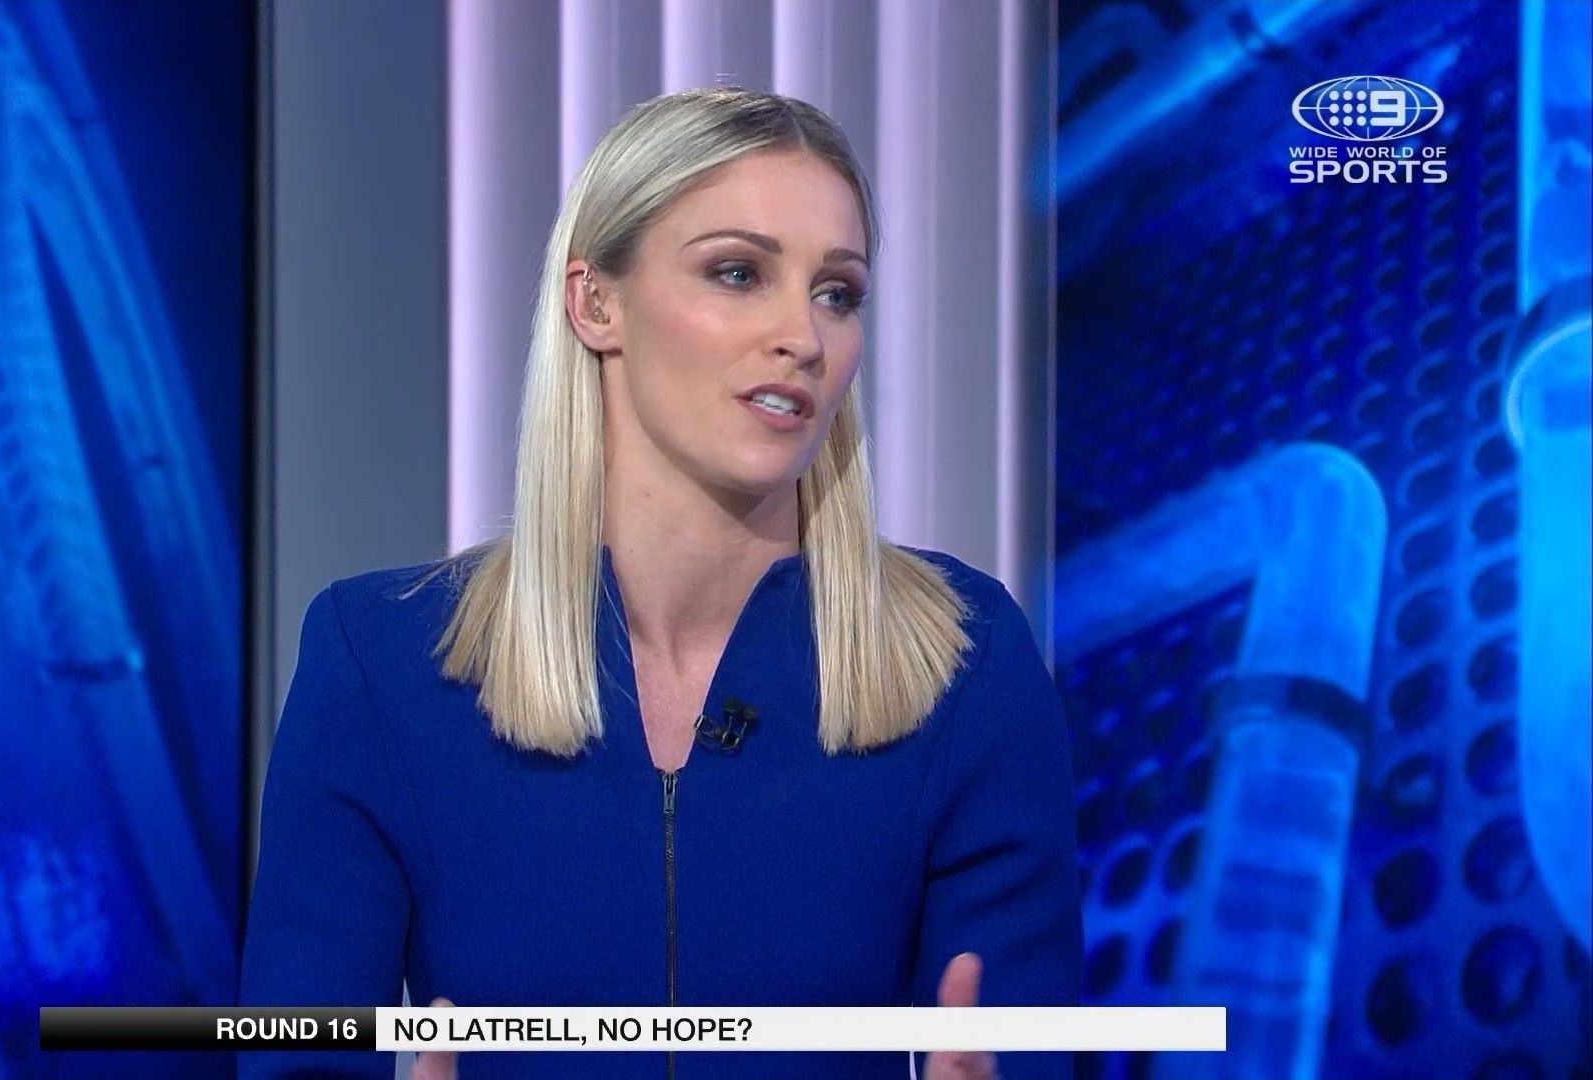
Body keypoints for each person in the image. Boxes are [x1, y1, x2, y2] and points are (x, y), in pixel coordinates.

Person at [239, 87, 1083, 1080]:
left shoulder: (966, 664)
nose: (804, 336)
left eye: (837, 292)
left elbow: (1021, 1052)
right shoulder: (380, 663)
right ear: (596, 303)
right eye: (739, 273)